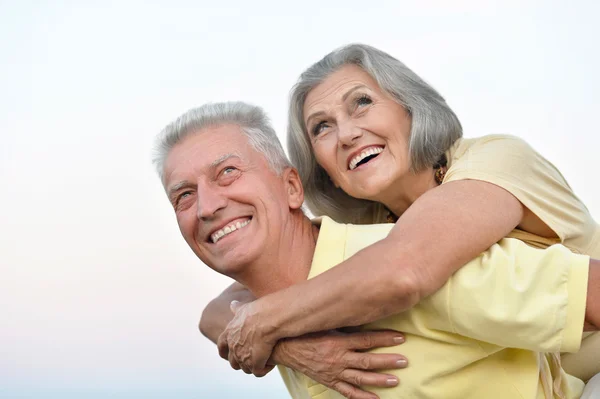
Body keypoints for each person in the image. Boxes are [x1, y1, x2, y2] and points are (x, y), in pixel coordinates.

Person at [204, 44, 600, 389]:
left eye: (361, 102)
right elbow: (221, 311)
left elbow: (405, 269)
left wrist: (266, 325)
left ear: (411, 108)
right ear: (323, 169)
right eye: (322, 127)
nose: (346, 134)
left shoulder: (495, 160)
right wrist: (291, 348)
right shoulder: (372, 230)